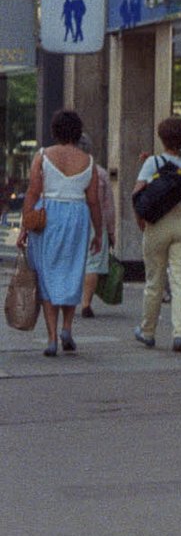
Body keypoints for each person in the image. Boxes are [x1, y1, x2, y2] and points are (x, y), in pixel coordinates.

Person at [14, 110, 104, 357]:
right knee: (72, 270)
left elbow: (33, 192)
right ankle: (67, 328)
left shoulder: (42, 156)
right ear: (78, 132)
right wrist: (99, 232)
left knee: (47, 274)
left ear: (54, 131)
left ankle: (52, 337)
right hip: (77, 216)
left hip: (48, 217)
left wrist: (24, 226)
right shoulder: (89, 161)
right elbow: (94, 200)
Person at [134, 116, 181, 352]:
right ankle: (179, 334)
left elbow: (138, 193)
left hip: (158, 222)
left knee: (154, 281)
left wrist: (140, 219)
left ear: (161, 138)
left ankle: (148, 331)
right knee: (180, 280)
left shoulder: (153, 162)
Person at [78, 136, 115, 318]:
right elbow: (108, 206)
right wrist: (110, 231)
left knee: (71, 259)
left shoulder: (65, 171)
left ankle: (65, 300)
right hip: (95, 221)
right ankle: (86, 303)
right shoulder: (99, 172)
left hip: (72, 220)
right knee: (92, 263)